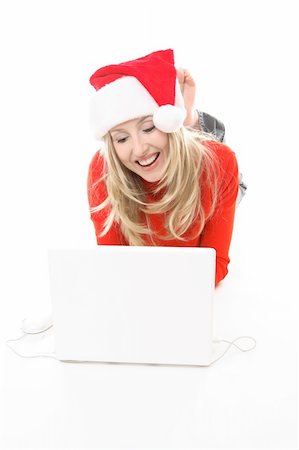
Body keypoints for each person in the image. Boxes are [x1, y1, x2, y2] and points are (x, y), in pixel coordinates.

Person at [87, 49, 242, 286]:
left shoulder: (220, 163)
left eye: (148, 128)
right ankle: (188, 122)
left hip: (204, 165)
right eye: (121, 139)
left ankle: (189, 120)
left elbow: (215, 266)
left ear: (168, 121)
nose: (139, 149)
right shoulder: (104, 169)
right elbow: (114, 267)